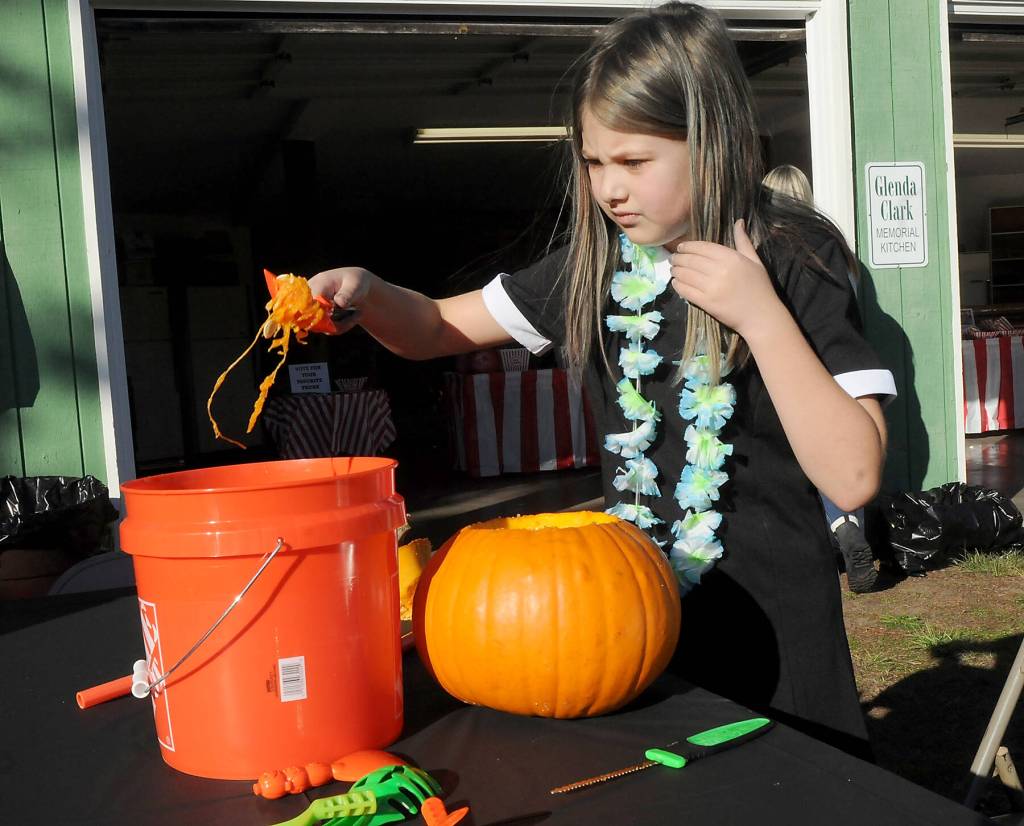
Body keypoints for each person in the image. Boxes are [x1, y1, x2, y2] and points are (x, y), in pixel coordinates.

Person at [308, 2, 896, 757]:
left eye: (635, 162)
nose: (610, 189)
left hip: (778, 639)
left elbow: (852, 475)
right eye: (594, 163)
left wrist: (761, 317)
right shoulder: (597, 266)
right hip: (627, 629)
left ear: (709, 141)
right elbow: (432, 329)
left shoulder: (789, 254)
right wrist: (370, 293)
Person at [762, 164, 879, 593]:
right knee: (841, 447)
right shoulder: (833, 247)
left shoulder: (770, 248)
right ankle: (848, 525)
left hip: (791, 362)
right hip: (840, 362)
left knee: (800, 451)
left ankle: (821, 539)